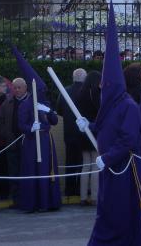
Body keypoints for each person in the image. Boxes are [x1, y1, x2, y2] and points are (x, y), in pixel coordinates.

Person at [77, 2, 141, 245]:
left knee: (118, 211)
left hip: (122, 167)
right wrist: (88, 125)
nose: (103, 90)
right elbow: (103, 128)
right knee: (107, 208)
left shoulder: (129, 106)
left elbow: (128, 140)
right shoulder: (111, 105)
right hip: (110, 166)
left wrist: (107, 157)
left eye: (106, 86)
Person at [12, 46, 62, 212]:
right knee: (33, 170)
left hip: (46, 140)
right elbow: (21, 125)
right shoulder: (25, 105)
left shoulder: (45, 103)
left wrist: (49, 111)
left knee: (46, 170)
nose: (42, 91)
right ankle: (32, 203)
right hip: (32, 142)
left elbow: (54, 121)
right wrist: (31, 128)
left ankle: (48, 202)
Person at [0, 77, 29, 206]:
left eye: (19, 87)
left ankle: (29, 198)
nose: (16, 90)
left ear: (25, 88)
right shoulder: (7, 103)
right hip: (12, 143)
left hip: (28, 143)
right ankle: (17, 200)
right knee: (14, 172)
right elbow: (0, 122)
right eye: (14, 88)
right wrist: (7, 135)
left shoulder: (32, 101)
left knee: (28, 171)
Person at [57, 68, 87, 197]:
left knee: (70, 161)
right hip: (84, 133)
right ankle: (81, 188)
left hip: (69, 131)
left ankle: (69, 189)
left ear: (73, 77)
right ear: (85, 78)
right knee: (83, 162)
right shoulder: (87, 91)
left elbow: (59, 110)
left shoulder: (65, 91)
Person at [76, 70, 101, 206]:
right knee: (96, 165)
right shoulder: (96, 94)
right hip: (94, 130)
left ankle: (83, 196)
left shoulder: (80, 93)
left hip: (83, 131)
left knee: (86, 165)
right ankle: (95, 196)